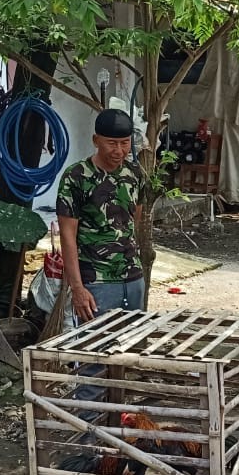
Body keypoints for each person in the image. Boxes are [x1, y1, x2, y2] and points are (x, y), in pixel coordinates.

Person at [56, 108, 145, 323]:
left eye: (125, 143)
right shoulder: (76, 177)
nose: (119, 150)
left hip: (133, 278)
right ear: (96, 140)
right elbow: (67, 236)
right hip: (96, 282)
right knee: (94, 352)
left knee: (132, 348)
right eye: (112, 143)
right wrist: (77, 288)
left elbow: (135, 221)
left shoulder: (135, 174)